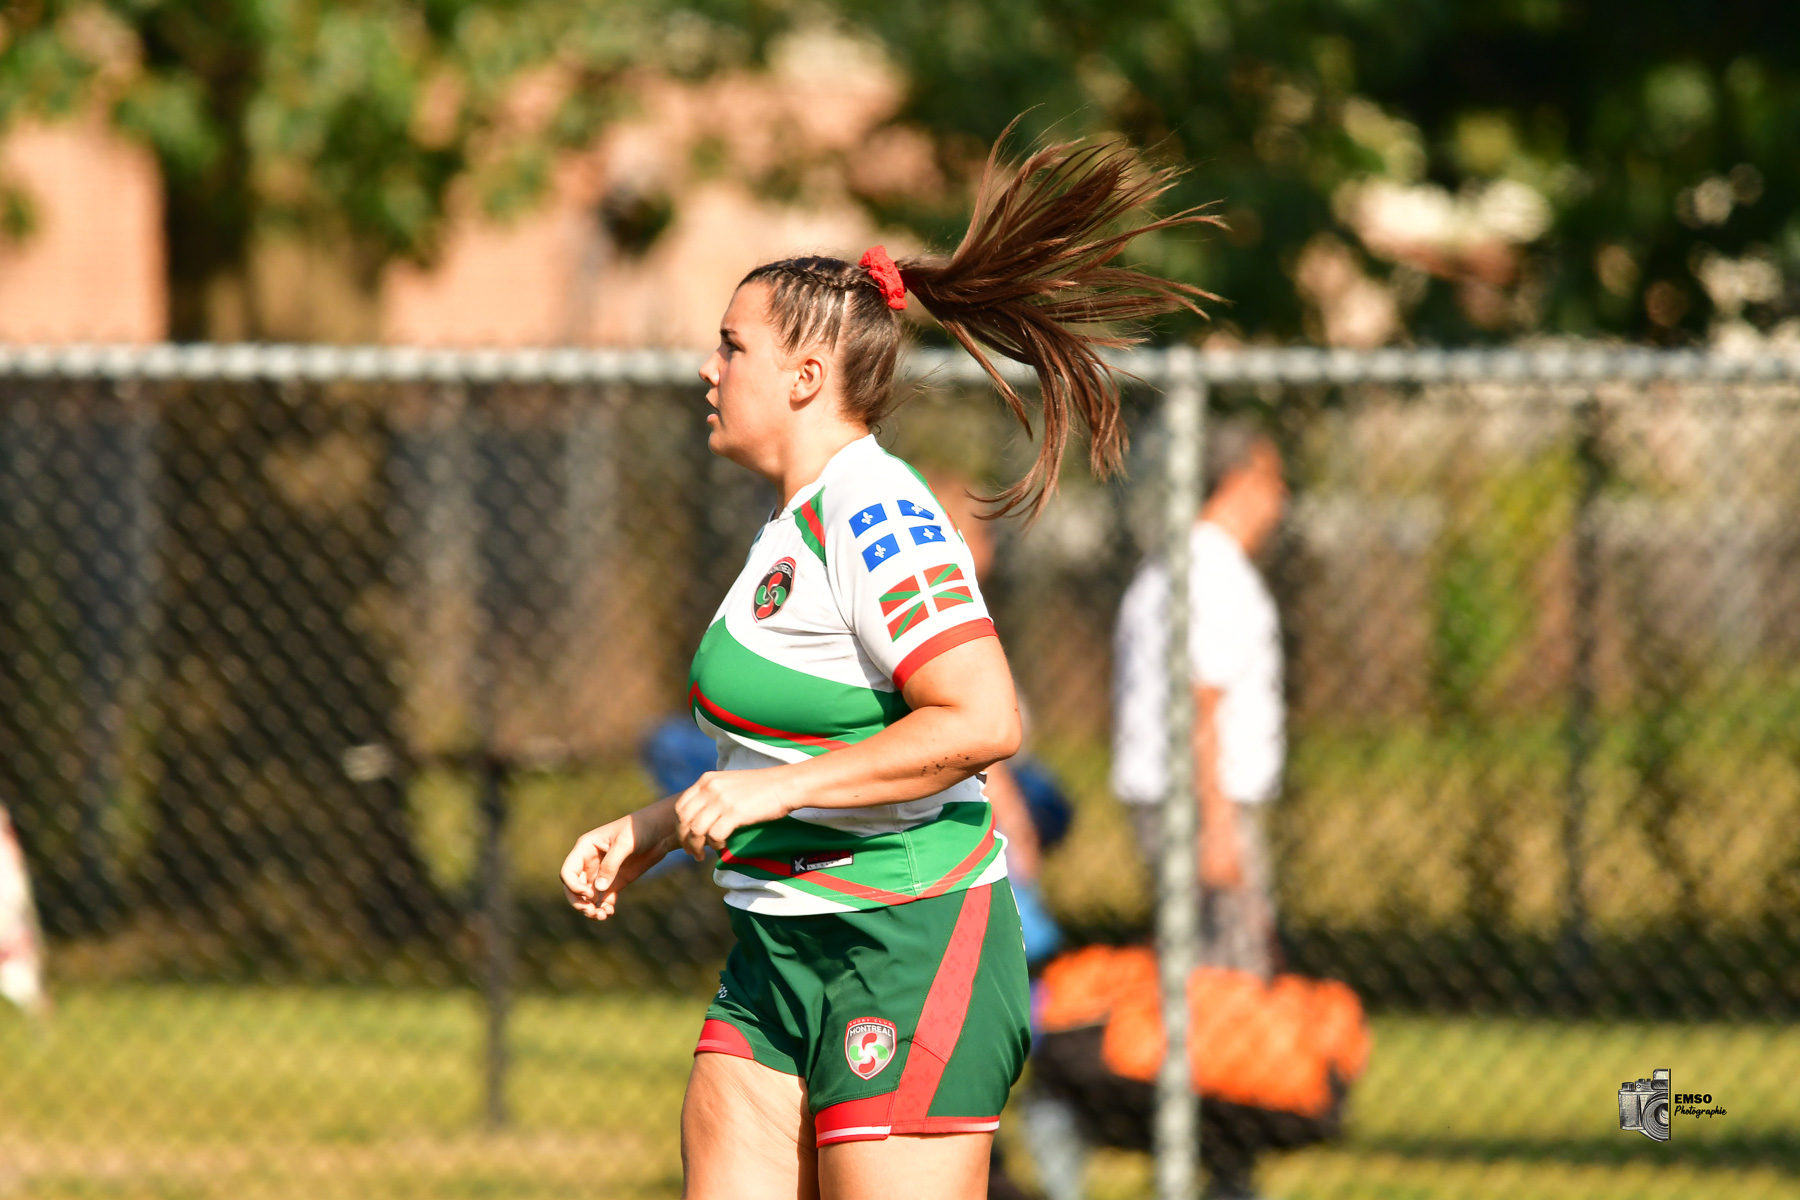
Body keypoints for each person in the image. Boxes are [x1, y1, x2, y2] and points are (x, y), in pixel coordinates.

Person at [560, 128, 1217, 1200]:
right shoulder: (790, 524)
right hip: (775, 954)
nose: (706, 367)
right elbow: (785, 743)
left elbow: (981, 718)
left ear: (807, 375)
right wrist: (652, 830)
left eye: (731, 347)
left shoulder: (880, 513)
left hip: (903, 950)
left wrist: (771, 792)